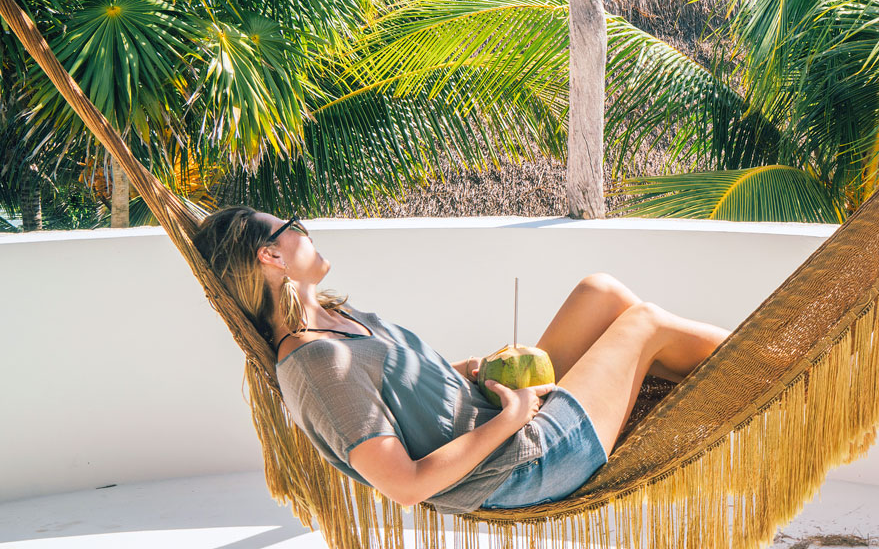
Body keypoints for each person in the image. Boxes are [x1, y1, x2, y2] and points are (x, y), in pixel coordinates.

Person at [190, 205, 731, 514]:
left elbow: (398, 400)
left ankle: (713, 386)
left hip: (500, 414)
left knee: (602, 292)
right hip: (523, 461)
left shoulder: (334, 317)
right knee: (646, 324)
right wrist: (515, 417)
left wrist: (460, 374)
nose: (306, 231)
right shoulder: (314, 365)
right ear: (271, 255)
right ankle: (758, 366)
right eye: (294, 226)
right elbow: (404, 485)